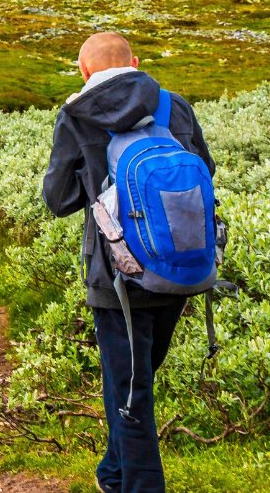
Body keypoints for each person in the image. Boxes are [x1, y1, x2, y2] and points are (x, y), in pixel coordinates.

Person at [42, 32, 215, 493]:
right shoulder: (173, 105)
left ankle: (139, 486)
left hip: (115, 275)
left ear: (84, 71)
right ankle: (113, 475)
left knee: (130, 392)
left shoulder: (77, 115)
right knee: (131, 383)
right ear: (135, 62)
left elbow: (58, 200)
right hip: (180, 266)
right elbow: (206, 170)